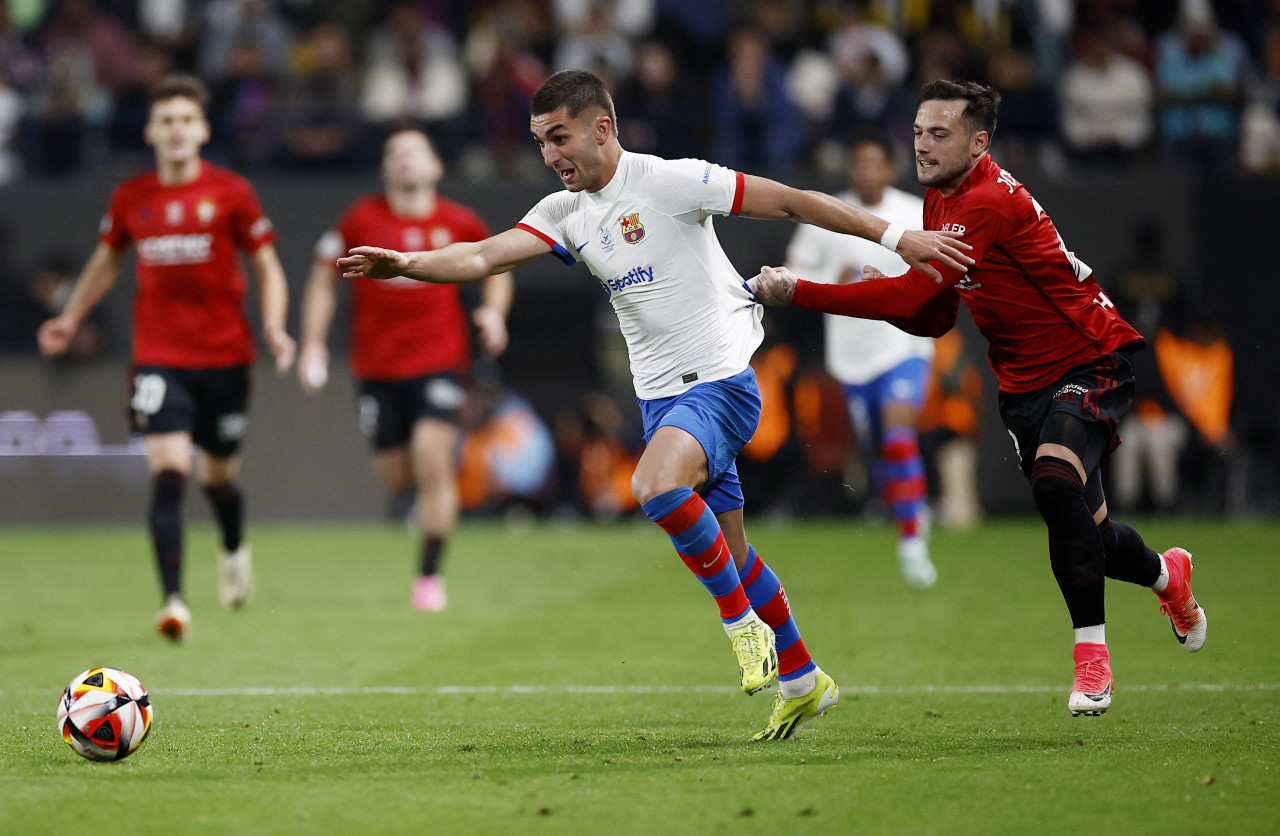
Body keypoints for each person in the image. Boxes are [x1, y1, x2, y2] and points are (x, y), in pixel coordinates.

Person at [337, 69, 973, 740]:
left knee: (652, 484)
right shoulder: (565, 212)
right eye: (540, 142)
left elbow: (788, 201)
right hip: (661, 402)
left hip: (722, 385)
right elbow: (480, 258)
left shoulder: (669, 182)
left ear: (601, 128)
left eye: (559, 138)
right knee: (736, 551)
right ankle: (804, 678)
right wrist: (405, 266)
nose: (550, 156)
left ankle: (738, 622)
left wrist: (897, 239)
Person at [750, 79, 1207, 717]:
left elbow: (914, 299)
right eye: (917, 132)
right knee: (1093, 538)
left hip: (1088, 357)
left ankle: (1092, 658)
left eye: (939, 134)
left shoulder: (985, 200)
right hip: (1023, 383)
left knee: (1053, 481)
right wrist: (898, 291)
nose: (923, 145)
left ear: (978, 141)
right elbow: (934, 315)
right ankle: (1168, 578)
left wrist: (803, 291)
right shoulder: (940, 206)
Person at [37, 73, 296, 641]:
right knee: (170, 473)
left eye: (186, 120)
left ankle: (232, 549)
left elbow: (268, 265)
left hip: (226, 357)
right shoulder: (131, 198)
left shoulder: (231, 192)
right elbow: (106, 261)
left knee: (219, 478)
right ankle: (174, 601)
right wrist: (70, 317)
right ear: (151, 131)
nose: (176, 130)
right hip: (159, 357)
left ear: (202, 130)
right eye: (166, 121)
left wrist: (275, 326)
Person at [299, 128, 514, 612]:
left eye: (414, 151)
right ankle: (422, 505)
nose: (403, 160)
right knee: (396, 475)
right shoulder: (361, 220)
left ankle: (429, 577)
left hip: (439, 361)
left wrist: (493, 313)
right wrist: (312, 343)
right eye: (394, 152)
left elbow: (498, 266)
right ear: (384, 168)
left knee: (433, 458)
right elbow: (321, 275)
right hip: (376, 367)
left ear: (437, 166)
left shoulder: (458, 220)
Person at [784, 136, 937, 588]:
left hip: (903, 345)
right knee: (876, 448)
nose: (868, 171)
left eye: (877, 163)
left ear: (892, 170)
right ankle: (910, 508)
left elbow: (941, 270)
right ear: (851, 170)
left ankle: (912, 541)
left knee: (897, 432)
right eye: (860, 163)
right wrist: (836, 279)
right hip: (851, 355)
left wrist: (901, 286)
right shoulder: (826, 215)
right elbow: (795, 272)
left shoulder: (914, 212)